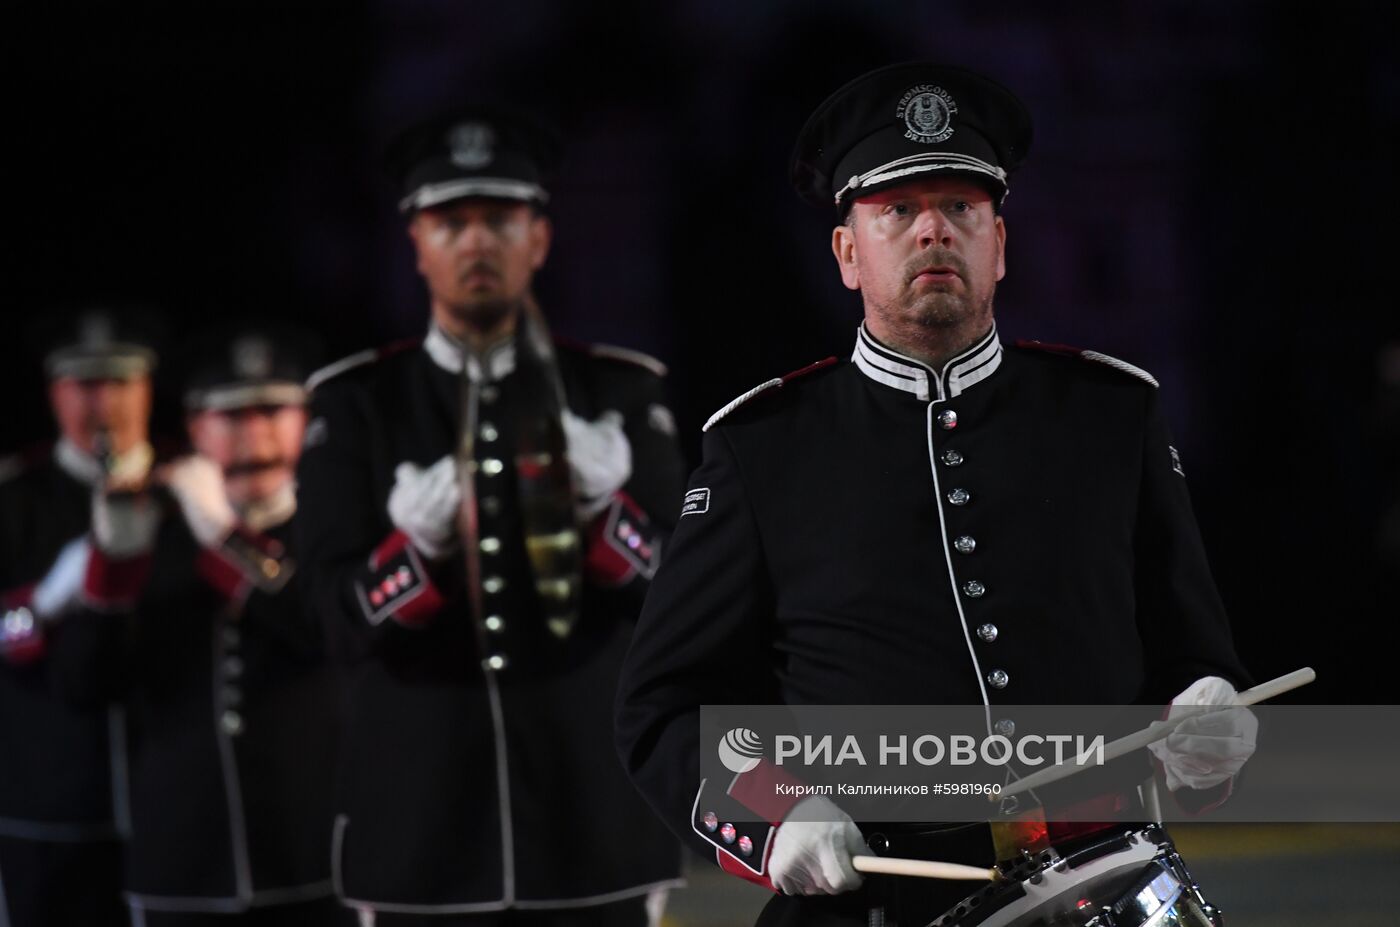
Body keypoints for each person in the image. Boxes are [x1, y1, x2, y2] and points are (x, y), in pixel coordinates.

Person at [614, 62, 1257, 926]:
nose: (933, 232)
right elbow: (665, 710)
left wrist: (1213, 728)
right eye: (898, 211)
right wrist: (777, 814)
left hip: (1103, 885)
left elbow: (1195, 663)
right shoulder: (760, 447)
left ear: (1000, 243)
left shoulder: (1111, 416)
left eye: (961, 208)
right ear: (848, 253)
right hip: (873, 903)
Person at [295, 106, 687, 926]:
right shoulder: (355, 404)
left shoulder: (620, 391)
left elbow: (682, 607)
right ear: (416, 243)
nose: (477, 243)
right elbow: (327, 621)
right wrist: (412, 552)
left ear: (538, 239)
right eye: (451, 222)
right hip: (421, 836)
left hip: (592, 827)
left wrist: (606, 514)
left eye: (500, 220)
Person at [49, 325, 348, 926]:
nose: (253, 433)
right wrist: (111, 573)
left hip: (313, 858)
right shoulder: (159, 533)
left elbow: (325, 633)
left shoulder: (333, 522)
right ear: (195, 430)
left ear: (304, 422)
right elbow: (86, 686)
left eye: (272, 410)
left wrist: (225, 537)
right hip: (181, 863)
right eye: (230, 415)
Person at [0, 307, 156, 927]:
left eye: (120, 382)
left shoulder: (185, 487)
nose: (103, 403)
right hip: (47, 807)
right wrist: (40, 605)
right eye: (84, 384)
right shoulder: (13, 499)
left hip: (172, 807)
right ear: (53, 391)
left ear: (147, 387)